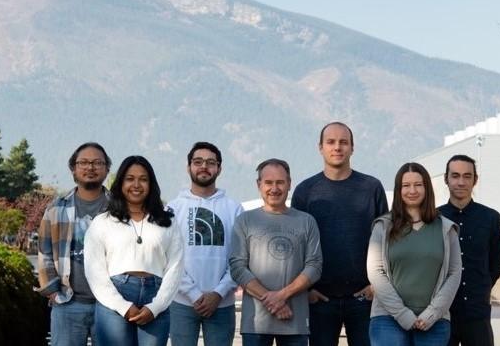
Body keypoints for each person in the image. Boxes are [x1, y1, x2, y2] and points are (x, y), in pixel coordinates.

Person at [291, 122, 388, 346]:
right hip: (319, 299)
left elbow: (387, 240)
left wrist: (377, 286)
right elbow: (296, 245)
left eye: (343, 142)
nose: (337, 147)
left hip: (365, 298)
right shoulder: (306, 191)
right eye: (331, 142)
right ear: (320, 147)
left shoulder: (371, 187)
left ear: (352, 148)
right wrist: (306, 290)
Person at [84, 155, 184, 346]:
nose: (136, 184)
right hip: (114, 298)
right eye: (130, 179)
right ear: (120, 183)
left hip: (156, 297)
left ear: (151, 184)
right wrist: (123, 306)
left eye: (143, 179)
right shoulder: (103, 222)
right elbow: (94, 272)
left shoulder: (168, 222)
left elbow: (175, 268)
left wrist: (155, 307)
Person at [367, 162, 461, 346]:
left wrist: (432, 313)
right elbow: (375, 272)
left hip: (434, 320)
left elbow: (454, 273)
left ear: (427, 188)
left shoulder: (446, 228)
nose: (412, 190)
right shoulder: (383, 226)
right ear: (398, 190)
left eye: (418, 185)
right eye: (406, 185)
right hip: (388, 319)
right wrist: (403, 314)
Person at [230, 158, 323, 346]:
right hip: (255, 324)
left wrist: (282, 296)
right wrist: (273, 301)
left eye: (280, 182)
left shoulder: (306, 221)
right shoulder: (244, 221)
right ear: (259, 185)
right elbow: (238, 267)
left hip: (295, 323)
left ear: (289, 184)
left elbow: (314, 266)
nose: (274, 188)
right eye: (268, 182)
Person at [36, 142, 112, 346]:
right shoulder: (57, 207)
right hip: (68, 302)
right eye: (84, 162)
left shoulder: (119, 208)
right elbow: (44, 253)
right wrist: (52, 290)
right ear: (73, 168)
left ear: (107, 169)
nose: (90, 167)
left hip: (110, 305)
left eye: (97, 163)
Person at [168, 142, 243, 346]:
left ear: (219, 168)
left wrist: (218, 293)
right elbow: (169, 257)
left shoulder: (234, 209)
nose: (204, 166)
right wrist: (193, 293)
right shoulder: (173, 209)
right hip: (181, 303)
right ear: (188, 167)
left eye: (211, 162)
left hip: (222, 303)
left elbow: (240, 258)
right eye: (198, 161)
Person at [438, 155, 500, 346]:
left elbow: (495, 265)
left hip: (478, 315)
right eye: (455, 175)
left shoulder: (491, 218)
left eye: (467, 176)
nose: (461, 182)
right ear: (446, 179)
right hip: (442, 315)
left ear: (475, 180)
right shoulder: (433, 218)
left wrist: (480, 289)